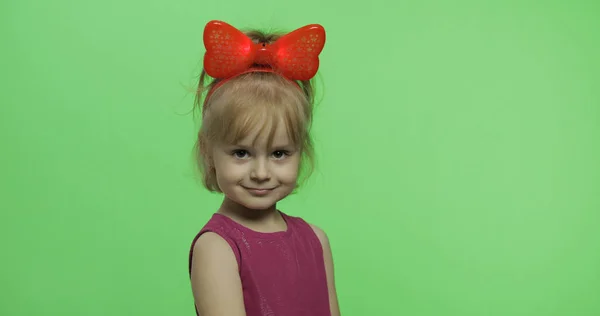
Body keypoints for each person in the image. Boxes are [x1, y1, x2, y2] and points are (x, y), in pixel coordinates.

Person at [187, 20, 340, 316]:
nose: (261, 172)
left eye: (279, 153)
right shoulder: (217, 248)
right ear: (209, 153)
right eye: (241, 153)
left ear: (301, 152)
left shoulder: (316, 241)